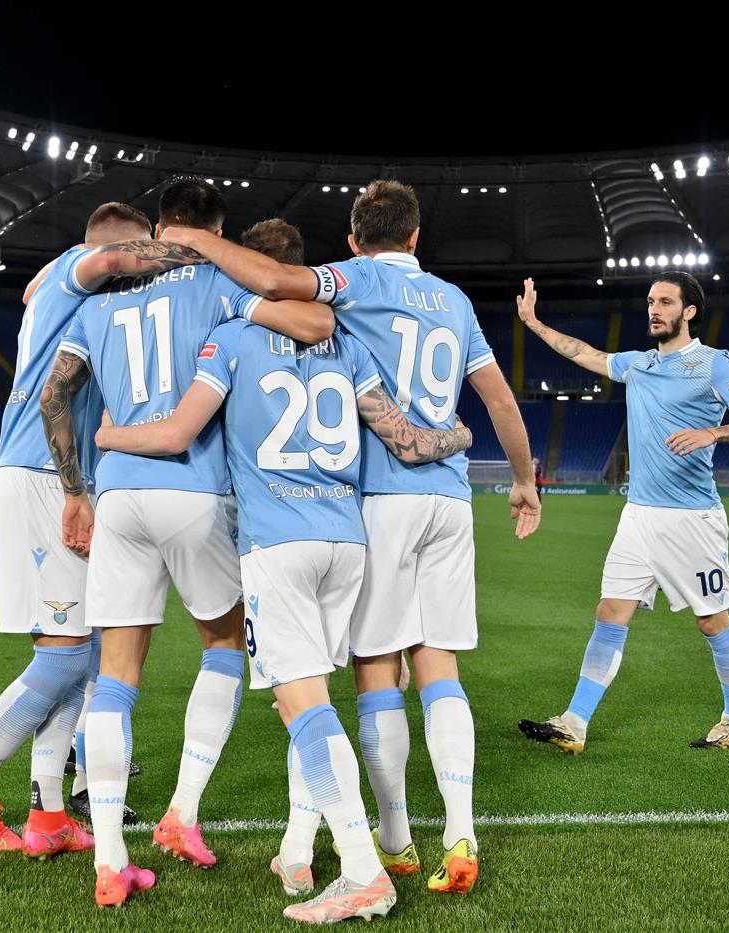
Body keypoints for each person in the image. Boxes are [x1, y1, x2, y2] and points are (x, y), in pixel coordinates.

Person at [153, 179, 542, 894]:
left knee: (368, 673)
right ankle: (460, 826)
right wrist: (522, 479)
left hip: (378, 500)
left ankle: (391, 841)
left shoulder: (351, 284)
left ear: (356, 240)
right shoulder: (454, 303)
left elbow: (275, 282)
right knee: (439, 665)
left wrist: (199, 239)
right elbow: (497, 398)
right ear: (417, 237)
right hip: (449, 496)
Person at [95, 297, 473, 922]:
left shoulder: (232, 339)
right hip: (345, 541)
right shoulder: (348, 346)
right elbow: (404, 440)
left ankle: (362, 871)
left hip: (278, 543)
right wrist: (460, 432)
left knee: (302, 704)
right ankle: (297, 849)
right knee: (311, 697)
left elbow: (182, 432)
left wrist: (106, 433)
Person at [42, 178, 334, 907]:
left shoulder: (96, 299)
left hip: (119, 492)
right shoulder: (211, 282)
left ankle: (110, 858)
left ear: (158, 225)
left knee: (114, 676)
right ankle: (181, 812)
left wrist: (76, 487)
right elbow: (305, 322)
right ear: (211, 229)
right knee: (224, 643)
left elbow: (56, 393)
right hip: (194, 489)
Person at [0, 203, 187, 857]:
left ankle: (47, 813)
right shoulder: (85, 270)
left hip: (60, 479)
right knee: (67, 653)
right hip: (44, 478)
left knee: (87, 653)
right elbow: (102, 257)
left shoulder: (60, 285)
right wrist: (197, 252)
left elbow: (41, 281)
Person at [512, 273, 729, 755]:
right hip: (638, 517)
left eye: (665, 302)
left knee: (712, 621)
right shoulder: (640, 364)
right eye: (650, 301)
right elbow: (583, 353)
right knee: (610, 612)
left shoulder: (714, 364)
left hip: (692, 521)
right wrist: (533, 322)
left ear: (689, 311)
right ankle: (575, 721)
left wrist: (712, 434)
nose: (654, 309)